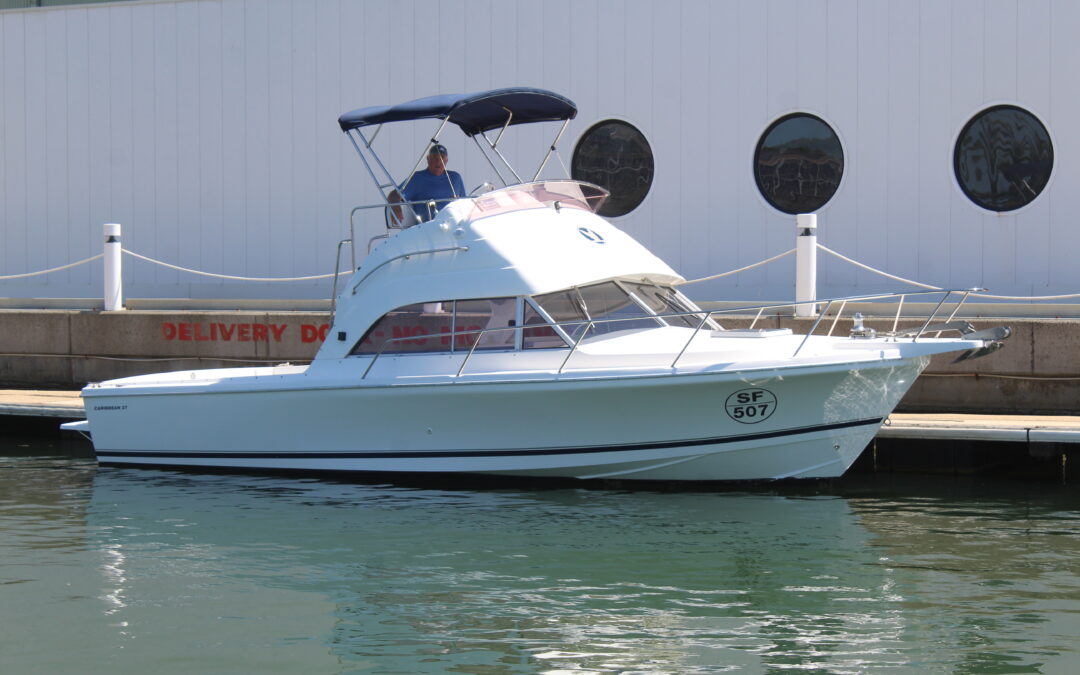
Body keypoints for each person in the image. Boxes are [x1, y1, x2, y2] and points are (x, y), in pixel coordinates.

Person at [389, 144, 466, 224]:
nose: (438, 161)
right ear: (428, 159)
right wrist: (396, 208)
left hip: (455, 227)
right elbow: (394, 195)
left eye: (442, 157)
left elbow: (465, 204)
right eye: (434, 158)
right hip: (429, 228)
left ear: (446, 160)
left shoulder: (455, 177)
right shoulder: (417, 178)